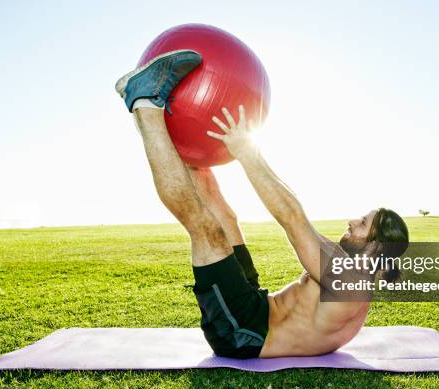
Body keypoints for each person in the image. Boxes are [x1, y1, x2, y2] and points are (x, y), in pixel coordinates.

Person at [115, 50, 409, 359]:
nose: (352, 221)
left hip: (245, 334)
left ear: (376, 247)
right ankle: (174, 145)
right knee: (225, 215)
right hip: (258, 305)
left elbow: (292, 219)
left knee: (208, 232)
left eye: (363, 224)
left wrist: (246, 152)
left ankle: (145, 105)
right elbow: (297, 211)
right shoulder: (346, 265)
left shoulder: (349, 283)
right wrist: (215, 146)